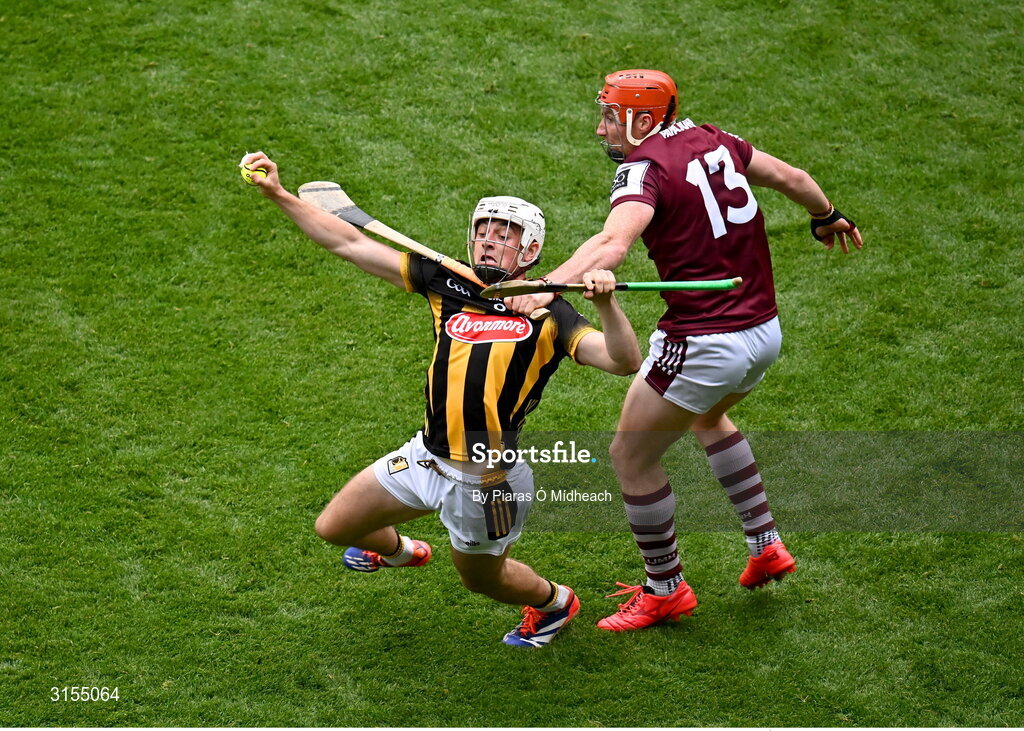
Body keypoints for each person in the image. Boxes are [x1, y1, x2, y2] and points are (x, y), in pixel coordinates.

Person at [506, 69, 864, 631]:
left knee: (631, 456)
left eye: (610, 117)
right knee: (709, 416)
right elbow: (792, 177)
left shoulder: (641, 170)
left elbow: (611, 243)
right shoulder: (716, 140)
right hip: (765, 334)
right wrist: (826, 216)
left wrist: (546, 285)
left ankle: (664, 588)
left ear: (645, 121)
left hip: (702, 342)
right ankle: (765, 546)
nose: (602, 127)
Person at [240, 151, 642, 647]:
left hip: (489, 478)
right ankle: (401, 550)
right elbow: (347, 242)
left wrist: (605, 301)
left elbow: (624, 361)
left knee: (481, 580)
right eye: (483, 230)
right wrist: (278, 194)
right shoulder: (446, 283)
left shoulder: (552, 315)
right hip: (426, 456)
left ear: (531, 249)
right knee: (335, 526)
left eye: (505, 234)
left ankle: (554, 602)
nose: (489, 241)